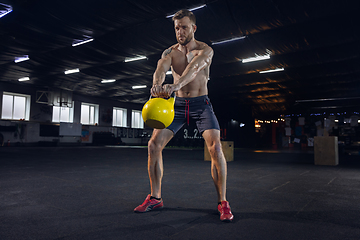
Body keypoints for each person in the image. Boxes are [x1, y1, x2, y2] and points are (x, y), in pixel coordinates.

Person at [134, 9, 233, 222]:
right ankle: (155, 197)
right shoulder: (170, 52)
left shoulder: (205, 50)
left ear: (194, 28)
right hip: (176, 105)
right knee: (153, 145)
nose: (180, 32)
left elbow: (194, 69)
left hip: (200, 104)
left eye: (184, 27)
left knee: (215, 147)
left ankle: (223, 202)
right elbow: (161, 69)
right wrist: (156, 86)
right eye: (177, 28)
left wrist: (176, 84)